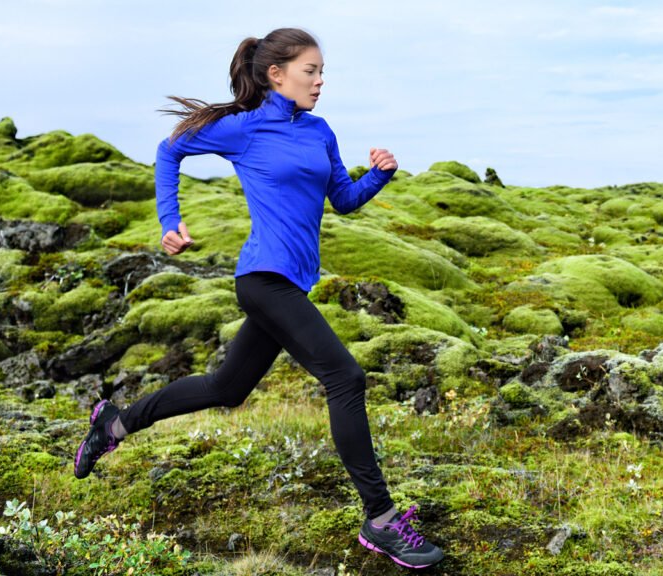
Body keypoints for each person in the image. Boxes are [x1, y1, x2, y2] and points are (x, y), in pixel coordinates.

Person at [73, 27, 443, 569]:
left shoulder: (319, 132)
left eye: (322, 72)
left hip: (292, 284)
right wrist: (169, 222)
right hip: (262, 280)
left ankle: (115, 423)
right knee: (346, 376)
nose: (320, 81)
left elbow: (342, 199)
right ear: (277, 74)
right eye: (310, 71)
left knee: (227, 388)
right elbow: (168, 151)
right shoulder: (244, 129)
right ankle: (381, 519)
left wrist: (379, 176)